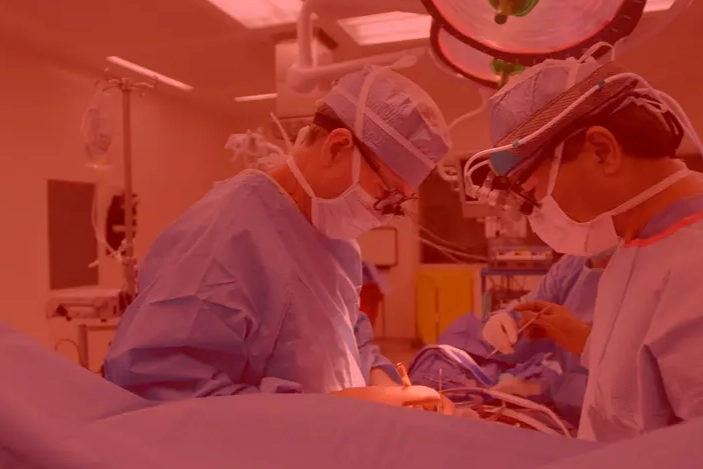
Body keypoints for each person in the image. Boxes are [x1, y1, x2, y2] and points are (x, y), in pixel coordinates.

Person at [103, 65, 455, 413]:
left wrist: (387, 387)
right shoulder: (225, 235)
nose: (384, 213)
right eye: (387, 193)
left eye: (398, 203)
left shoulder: (335, 240)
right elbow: (160, 391)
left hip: (330, 435)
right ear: (336, 148)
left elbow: (349, 339)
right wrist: (337, 407)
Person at [466, 45, 703, 442]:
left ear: (602, 151)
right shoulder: (633, 247)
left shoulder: (692, 265)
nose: (538, 215)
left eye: (534, 193)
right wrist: (585, 341)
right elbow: (636, 388)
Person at [408, 252, 608, 427]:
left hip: (603, 418)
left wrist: (544, 389)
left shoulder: (626, 283)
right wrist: (505, 320)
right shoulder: (573, 266)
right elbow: (528, 311)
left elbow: (618, 391)